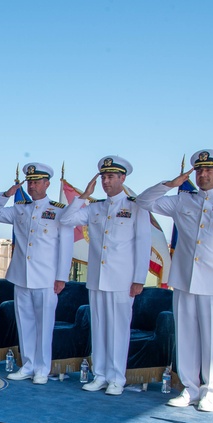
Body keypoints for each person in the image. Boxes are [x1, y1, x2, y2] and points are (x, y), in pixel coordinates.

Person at [136, 149, 213, 412]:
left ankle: (211, 391)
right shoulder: (182, 200)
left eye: (209, 170)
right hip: (184, 281)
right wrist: (170, 184)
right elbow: (143, 202)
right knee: (186, 337)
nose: (203, 174)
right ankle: (189, 388)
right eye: (199, 170)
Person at [61, 156, 152, 395]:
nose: (106, 181)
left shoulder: (136, 206)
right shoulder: (95, 207)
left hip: (123, 279)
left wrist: (139, 279)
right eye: (103, 176)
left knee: (119, 330)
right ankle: (99, 374)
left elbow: (143, 243)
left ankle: (116, 378)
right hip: (97, 279)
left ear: (123, 178)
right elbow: (66, 219)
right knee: (99, 328)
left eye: (111, 176)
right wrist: (83, 196)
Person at [0, 163, 75, 383]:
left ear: (47, 183)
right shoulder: (20, 207)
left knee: (44, 325)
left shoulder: (59, 211)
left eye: (37, 181)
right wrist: (7, 194)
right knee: (24, 321)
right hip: (21, 275)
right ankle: (27, 365)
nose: (33, 185)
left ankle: (42, 369)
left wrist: (61, 276)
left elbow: (66, 246)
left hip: (46, 277)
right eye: (30, 181)